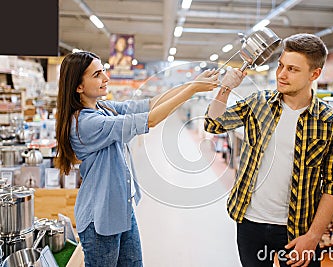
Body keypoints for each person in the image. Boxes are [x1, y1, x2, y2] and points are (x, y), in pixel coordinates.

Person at [55, 51, 219, 267]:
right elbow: (149, 120)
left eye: (104, 71)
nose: (106, 78)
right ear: (79, 86)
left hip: (122, 208)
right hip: (100, 218)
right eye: (97, 74)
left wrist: (191, 84)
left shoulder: (104, 108)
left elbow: (149, 105)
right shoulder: (85, 123)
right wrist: (191, 90)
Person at [204, 33, 333, 267]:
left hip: (298, 230)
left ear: (315, 74)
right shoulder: (258, 103)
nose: (281, 74)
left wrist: (313, 236)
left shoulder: (331, 122)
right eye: (281, 65)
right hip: (250, 222)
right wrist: (225, 89)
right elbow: (213, 124)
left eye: (292, 69)